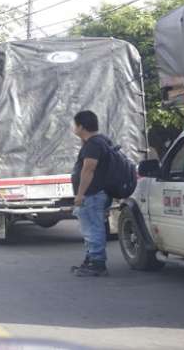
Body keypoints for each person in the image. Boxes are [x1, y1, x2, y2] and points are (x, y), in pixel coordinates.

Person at [70, 110, 113, 277]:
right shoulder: (100, 141)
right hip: (96, 193)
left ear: (81, 126)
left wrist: (80, 194)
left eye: (75, 125)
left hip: (92, 194)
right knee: (89, 228)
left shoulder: (94, 145)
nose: (74, 128)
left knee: (93, 228)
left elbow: (88, 170)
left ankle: (97, 263)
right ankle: (90, 259)